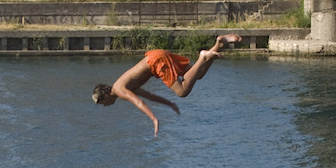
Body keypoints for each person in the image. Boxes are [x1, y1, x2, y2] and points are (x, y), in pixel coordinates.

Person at [92, 34, 242, 135]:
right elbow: (149, 96)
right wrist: (169, 104)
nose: (105, 106)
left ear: (105, 96)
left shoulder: (119, 90)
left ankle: (203, 57)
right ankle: (219, 44)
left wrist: (154, 119)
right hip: (156, 55)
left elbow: (138, 102)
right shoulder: (123, 85)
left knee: (182, 91)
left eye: (102, 103)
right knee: (198, 74)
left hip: (156, 62)